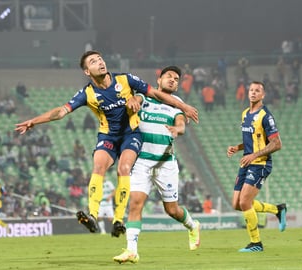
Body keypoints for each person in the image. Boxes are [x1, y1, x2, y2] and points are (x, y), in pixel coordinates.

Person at [15, 50, 199, 238]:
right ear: (87, 71)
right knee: (98, 166)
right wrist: (34, 121)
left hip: (131, 134)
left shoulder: (126, 80)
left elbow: (157, 94)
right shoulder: (87, 93)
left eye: (101, 59)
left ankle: (118, 220)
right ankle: (93, 215)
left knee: (124, 168)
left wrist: (183, 107)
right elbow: (62, 112)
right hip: (108, 136)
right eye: (93, 61)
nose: (100, 62)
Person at [113, 66, 200, 264]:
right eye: (168, 77)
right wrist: (134, 100)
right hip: (141, 161)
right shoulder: (145, 97)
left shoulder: (178, 104)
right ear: (158, 80)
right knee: (135, 204)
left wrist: (177, 129)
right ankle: (131, 250)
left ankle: (193, 225)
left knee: (172, 210)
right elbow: (136, 101)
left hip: (165, 164)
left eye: (176, 79)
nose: (172, 80)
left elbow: (181, 124)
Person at [226, 81, 286, 252]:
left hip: (260, 163)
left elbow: (277, 144)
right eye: (251, 90)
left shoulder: (266, 116)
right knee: (237, 204)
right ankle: (277, 209)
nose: (253, 93)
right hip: (246, 162)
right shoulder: (245, 113)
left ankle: (256, 243)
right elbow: (252, 141)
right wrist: (237, 148)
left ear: (263, 95)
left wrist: (254, 155)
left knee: (245, 202)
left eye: (257, 90)